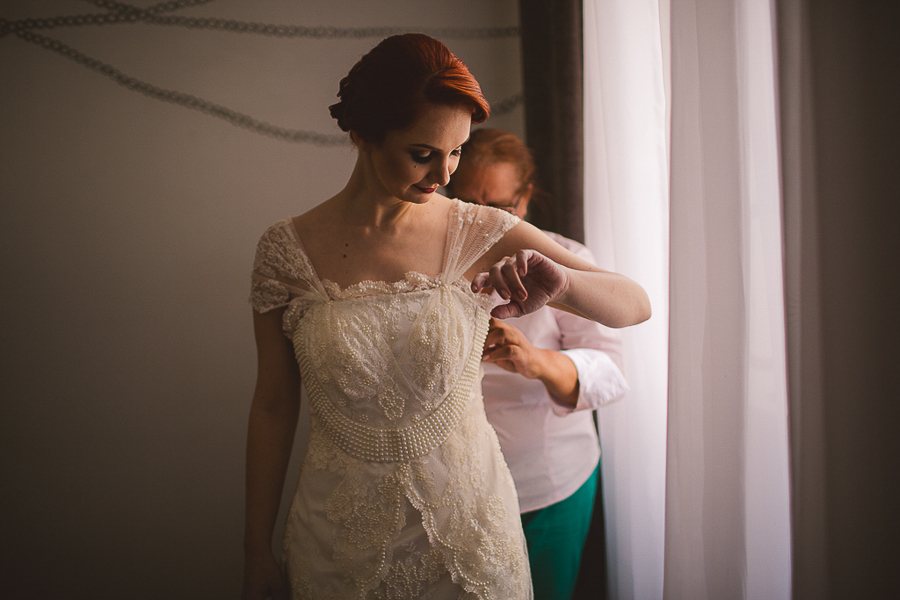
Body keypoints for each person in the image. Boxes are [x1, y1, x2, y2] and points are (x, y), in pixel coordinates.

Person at [242, 34, 650, 600]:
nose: (444, 174)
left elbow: (635, 304)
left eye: (456, 151)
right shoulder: (284, 252)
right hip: (339, 536)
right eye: (422, 153)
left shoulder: (478, 229)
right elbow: (272, 404)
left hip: (470, 536)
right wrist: (254, 547)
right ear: (364, 133)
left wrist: (566, 281)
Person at [445, 128, 628, 600]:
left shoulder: (566, 261)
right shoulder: (430, 263)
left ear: (524, 199)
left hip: (547, 486)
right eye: (467, 203)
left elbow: (609, 370)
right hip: (449, 489)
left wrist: (537, 361)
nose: (483, 220)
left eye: (499, 207)